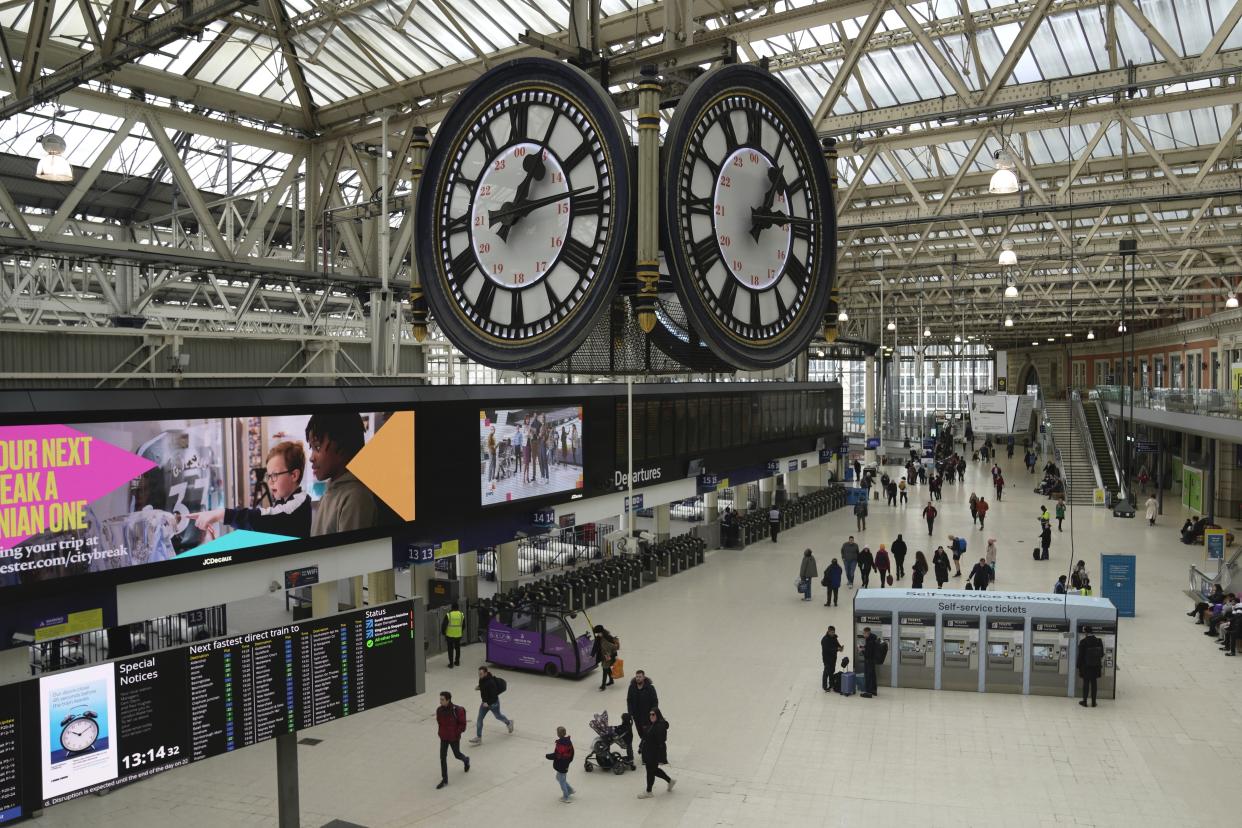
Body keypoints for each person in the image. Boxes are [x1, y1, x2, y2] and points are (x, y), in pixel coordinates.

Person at [191, 441, 312, 538]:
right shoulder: (284, 499)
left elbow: (265, 518)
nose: (269, 481)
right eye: (268, 476)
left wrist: (221, 514)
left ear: (294, 475)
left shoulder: (299, 502)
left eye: (274, 475)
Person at [306, 412, 379, 535]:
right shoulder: (331, 490)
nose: (311, 458)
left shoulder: (356, 497)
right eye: (312, 448)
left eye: (317, 447)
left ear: (342, 446)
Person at [469, 666, 514, 744]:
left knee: (498, 716)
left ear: (486, 673)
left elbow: (494, 696)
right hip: (484, 703)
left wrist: (488, 703)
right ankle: (479, 738)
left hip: (493, 704)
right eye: (479, 674)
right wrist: (479, 687)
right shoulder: (482, 679)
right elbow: (484, 686)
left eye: (481, 674)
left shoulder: (491, 682)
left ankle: (509, 722)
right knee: (479, 719)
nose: (480, 675)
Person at [636, 708, 675, 798]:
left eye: (653, 714)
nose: (651, 716)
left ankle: (649, 791)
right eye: (650, 714)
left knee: (650, 771)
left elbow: (661, 741)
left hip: (654, 753)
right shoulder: (652, 724)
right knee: (653, 771)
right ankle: (670, 781)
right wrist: (641, 747)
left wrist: (660, 755)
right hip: (648, 752)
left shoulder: (660, 726)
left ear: (658, 715)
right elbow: (645, 737)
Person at [435, 691, 470, 789]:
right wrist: (441, 732)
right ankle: (444, 779)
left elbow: (462, 724)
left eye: (442, 699)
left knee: (457, 754)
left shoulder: (457, 710)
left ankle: (466, 760)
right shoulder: (439, 710)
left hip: (454, 737)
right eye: (440, 699)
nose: (440, 701)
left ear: (448, 700)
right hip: (444, 737)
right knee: (442, 757)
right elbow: (439, 722)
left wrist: (456, 733)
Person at [546, 726, 576, 803]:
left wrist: (548, 756)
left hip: (561, 765)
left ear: (558, 734)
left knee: (562, 781)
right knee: (559, 778)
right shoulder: (568, 742)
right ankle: (570, 790)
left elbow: (557, 755)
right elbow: (572, 753)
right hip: (565, 764)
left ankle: (566, 797)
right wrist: (569, 761)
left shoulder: (560, 744)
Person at [1077, 628, 1105, 707]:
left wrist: (1078, 666)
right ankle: (1093, 702)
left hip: (1086, 667)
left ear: (1086, 633)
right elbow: (1101, 654)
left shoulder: (1083, 642)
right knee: (1094, 683)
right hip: (1096, 666)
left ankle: (1085, 702)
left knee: (1086, 683)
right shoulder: (1099, 641)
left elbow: (1080, 656)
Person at [627, 670, 659, 738]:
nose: (638, 678)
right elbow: (629, 700)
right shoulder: (632, 687)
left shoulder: (650, 688)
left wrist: (653, 712)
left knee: (647, 734)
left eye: (640, 677)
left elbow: (655, 701)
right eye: (637, 677)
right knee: (641, 734)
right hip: (636, 716)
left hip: (647, 716)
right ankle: (644, 746)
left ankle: (647, 747)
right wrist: (630, 712)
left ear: (644, 677)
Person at [590, 625, 619, 690]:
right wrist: (592, 655)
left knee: (605, 669)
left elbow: (614, 647)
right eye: (597, 633)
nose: (598, 634)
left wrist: (615, 655)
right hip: (603, 656)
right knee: (607, 668)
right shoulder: (598, 638)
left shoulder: (609, 637)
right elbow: (595, 647)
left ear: (602, 631)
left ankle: (603, 686)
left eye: (598, 633)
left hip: (609, 656)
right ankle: (611, 681)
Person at [441, 600, 465, 668]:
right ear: (458, 607)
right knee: (457, 648)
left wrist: (443, 632)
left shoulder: (449, 615)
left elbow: (444, 625)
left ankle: (451, 664)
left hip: (450, 635)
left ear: (452, 607)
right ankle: (457, 662)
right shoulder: (461, 614)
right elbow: (464, 625)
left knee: (450, 649)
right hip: (458, 635)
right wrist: (460, 631)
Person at [821, 626, 843, 692]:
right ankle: (824, 686)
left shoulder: (834, 637)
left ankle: (831, 684)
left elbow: (837, 644)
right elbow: (827, 649)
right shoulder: (824, 640)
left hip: (833, 658)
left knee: (832, 671)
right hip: (827, 658)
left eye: (834, 632)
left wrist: (840, 647)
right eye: (832, 632)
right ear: (828, 631)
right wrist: (836, 649)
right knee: (826, 672)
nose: (833, 633)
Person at [860, 626, 880, 698]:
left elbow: (867, 654)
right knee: (872, 676)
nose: (863, 635)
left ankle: (868, 692)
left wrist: (861, 650)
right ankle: (874, 691)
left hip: (869, 661)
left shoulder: (869, 641)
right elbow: (870, 650)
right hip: (872, 660)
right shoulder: (873, 638)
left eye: (864, 633)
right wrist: (864, 648)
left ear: (867, 633)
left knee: (868, 676)